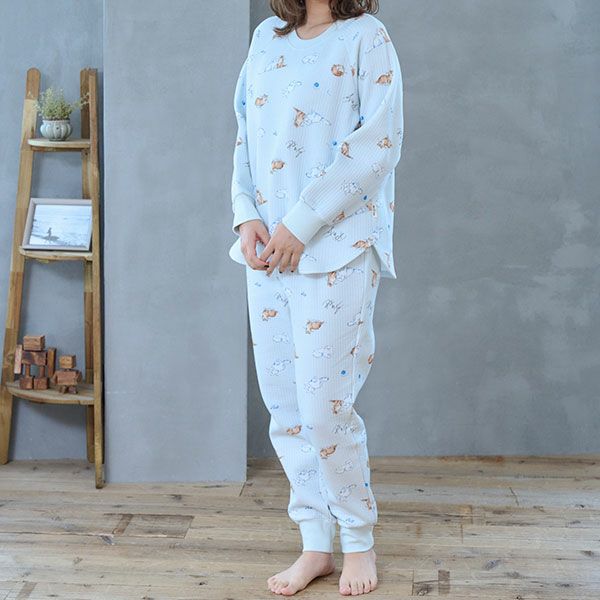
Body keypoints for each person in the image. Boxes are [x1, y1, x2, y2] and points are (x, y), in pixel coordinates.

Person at [228, 0, 404, 595]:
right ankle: (315, 544)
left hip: (337, 249)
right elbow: (246, 135)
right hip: (267, 254)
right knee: (285, 409)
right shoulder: (266, 38)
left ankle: (358, 540)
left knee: (325, 407)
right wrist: (245, 214)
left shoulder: (366, 37)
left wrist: (300, 224)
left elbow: (377, 145)